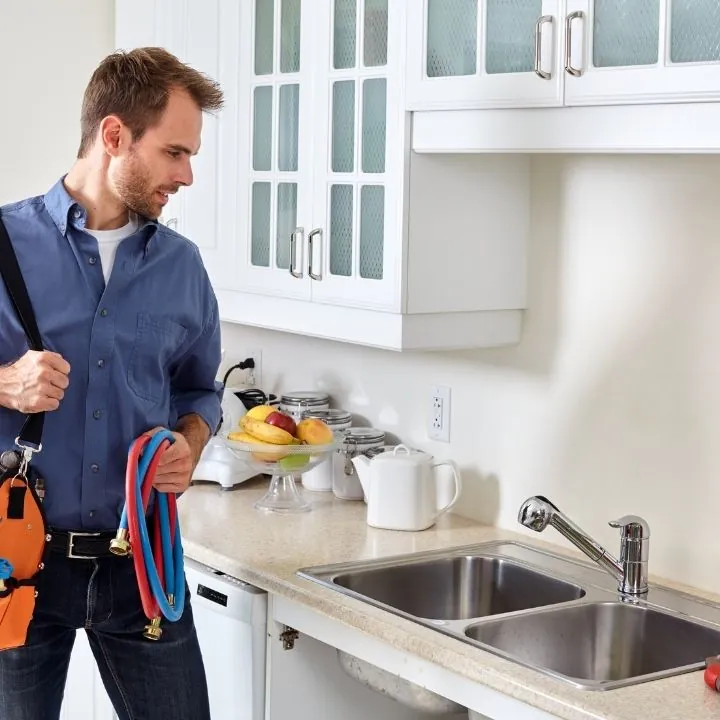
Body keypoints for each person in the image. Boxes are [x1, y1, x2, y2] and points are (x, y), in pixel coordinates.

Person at [0, 47, 224, 719]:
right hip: (17, 560)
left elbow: (198, 392)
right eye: (174, 152)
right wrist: (6, 383)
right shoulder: (4, 243)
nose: (186, 175)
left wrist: (190, 441)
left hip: (141, 565)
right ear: (114, 135)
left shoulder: (182, 268)